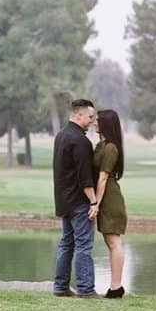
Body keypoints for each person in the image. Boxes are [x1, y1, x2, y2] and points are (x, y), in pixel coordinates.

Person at [52, 98, 101, 298]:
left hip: (63, 200)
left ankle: (60, 287)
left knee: (66, 243)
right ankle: (86, 289)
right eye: (90, 117)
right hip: (79, 202)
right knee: (83, 245)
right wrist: (93, 201)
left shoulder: (61, 135)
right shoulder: (81, 141)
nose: (92, 121)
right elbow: (85, 177)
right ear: (78, 115)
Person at [94, 109, 128, 298]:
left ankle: (116, 287)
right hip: (104, 197)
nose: (94, 123)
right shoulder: (102, 145)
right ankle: (114, 286)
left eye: (98, 120)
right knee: (110, 242)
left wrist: (96, 203)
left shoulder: (111, 148)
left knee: (114, 242)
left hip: (109, 199)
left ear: (106, 123)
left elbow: (103, 178)